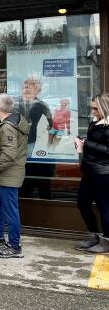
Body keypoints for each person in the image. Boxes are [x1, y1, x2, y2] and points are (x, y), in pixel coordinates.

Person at [0, 93, 29, 259]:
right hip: (2, 175)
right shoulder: (10, 123)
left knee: (10, 211)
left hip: (7, 175)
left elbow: (9, 154)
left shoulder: (8, 127)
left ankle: (14, 246)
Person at [73, 93, 109, 254]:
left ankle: (106, 242)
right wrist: (82, 146)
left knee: (105, 208)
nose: (93, 111)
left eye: (96, 108)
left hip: (103, 173)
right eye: (92, 108)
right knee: (82, 203)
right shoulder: (95, 122)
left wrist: (88, 143)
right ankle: (93, 237)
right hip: (90, 170)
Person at [19, 76, 54, 199]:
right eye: (26, 84)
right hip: (17, 148)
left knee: (40, 183)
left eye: (32, 84)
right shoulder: (14, 104)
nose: (27, 86)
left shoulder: (42, 105)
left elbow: (50, 125)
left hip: (35, 147)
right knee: (22, 188)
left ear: (38, 90)